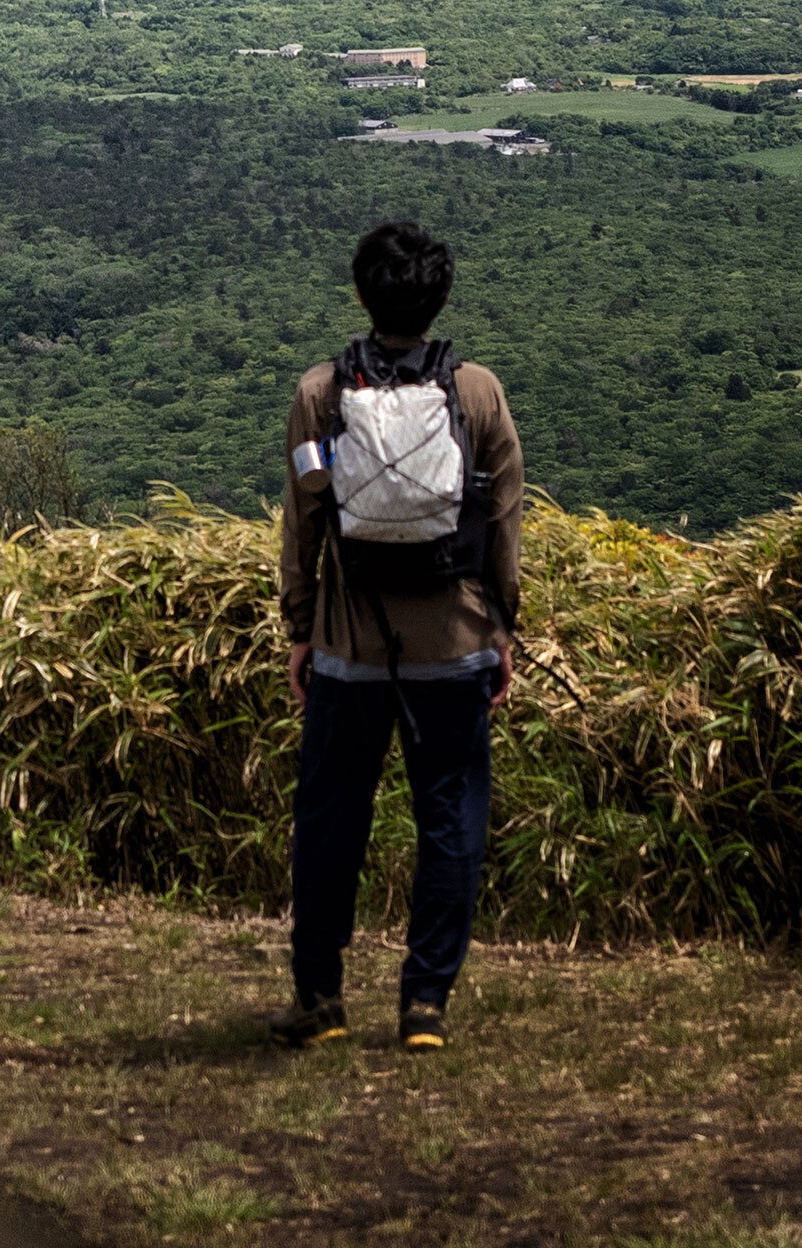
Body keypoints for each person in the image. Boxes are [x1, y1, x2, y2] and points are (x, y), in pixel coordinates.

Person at [277, 217, 524, 1054]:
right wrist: (502, 628)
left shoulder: (320, 395)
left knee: (330, 822)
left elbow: (304, 523)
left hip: (348, 646)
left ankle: (320, 998)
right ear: (440, 298)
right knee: (450, 819)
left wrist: (301, 629)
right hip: (455, 643)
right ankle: (425, 1005)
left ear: (361, 294)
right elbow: (503, 524)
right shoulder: (478, 394)